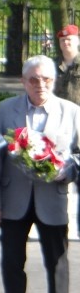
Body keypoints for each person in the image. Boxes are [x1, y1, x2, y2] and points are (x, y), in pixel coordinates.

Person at [0, 55, 79, 293]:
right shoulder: (7, 109)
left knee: (57, 262)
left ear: (54, 81)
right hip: (14, 198)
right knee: (12, 262)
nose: (41, 85)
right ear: (24, 82)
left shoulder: (72, 112)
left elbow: (78, 154)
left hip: (52, 197)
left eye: (46, 79)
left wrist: (66, 169)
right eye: (34, 80)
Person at [53, 24, 80, 234]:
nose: (66, 43)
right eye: (63, 40)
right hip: (59, 127)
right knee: (58, 174)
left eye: (70, 39)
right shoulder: (54, 66)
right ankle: (57, 223)